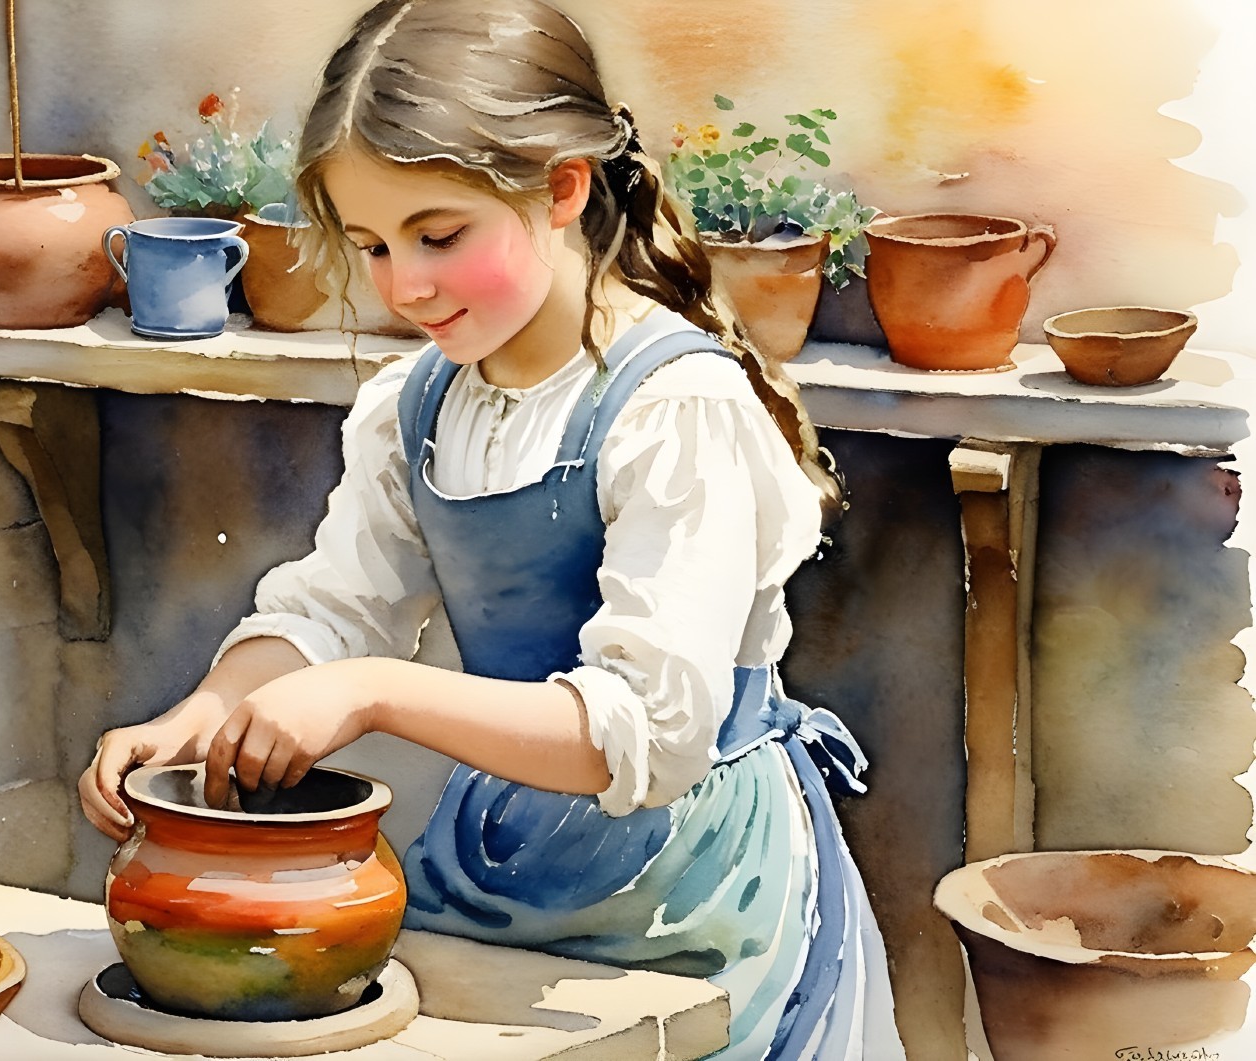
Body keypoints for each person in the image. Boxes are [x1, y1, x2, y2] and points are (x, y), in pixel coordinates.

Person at [80, 1, 904, 1056]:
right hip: (504, 857)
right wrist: (202, 712)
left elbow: (645, 731)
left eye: (438, 235)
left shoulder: (673, 407)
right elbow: (339, 606)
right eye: (372, 244)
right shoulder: (418, 405)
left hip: (688, 894)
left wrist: (374, 691)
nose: (403, 283)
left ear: (560, 187)